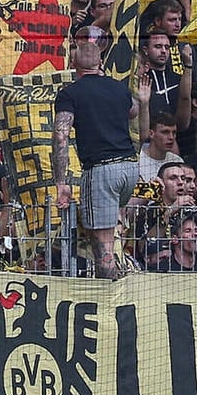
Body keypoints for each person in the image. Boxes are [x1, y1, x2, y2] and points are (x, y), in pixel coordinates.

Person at [53, 40, 140, 278]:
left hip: (102, 170)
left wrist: (61, 183)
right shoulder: (119, 87)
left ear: (73, 64)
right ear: (101, 63)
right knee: (109, 232)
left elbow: (61, 136)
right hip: (130, 168)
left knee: (103, 248)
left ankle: (109, 304)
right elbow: (134, 111)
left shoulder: (70, 93)